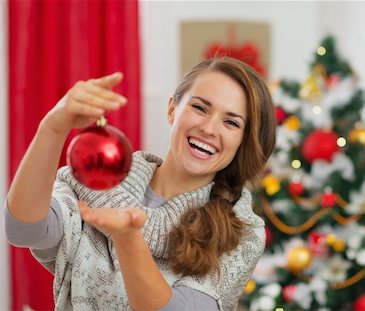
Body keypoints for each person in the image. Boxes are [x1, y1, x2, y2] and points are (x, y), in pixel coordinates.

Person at [4, 57, 276, 311]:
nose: (209, 128)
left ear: (243, 140)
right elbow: (23, 230)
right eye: (199, 108)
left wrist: (127, 237)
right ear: (172, 109)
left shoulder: (243, 232)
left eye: (231, 122)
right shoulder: (95, 175)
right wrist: (52, 128)